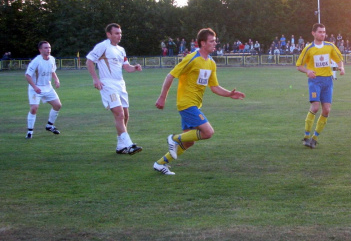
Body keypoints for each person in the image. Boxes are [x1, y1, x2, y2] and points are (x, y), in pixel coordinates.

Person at [153, 28, 245, 175]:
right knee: (208, 132)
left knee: (189, 141)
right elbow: (170, 75)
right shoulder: (192, 58)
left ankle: (160, 163)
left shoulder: (211, 63)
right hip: (186, 103)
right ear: (202, 43)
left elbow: (214, 87)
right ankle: (174, 138)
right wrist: (162, 97)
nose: (215, 43)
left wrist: (229, 94)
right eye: (212, 41)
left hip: (194, 104)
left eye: (215, 40)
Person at [86, 23, 143, 155]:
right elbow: (89, 61)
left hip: (120, 85)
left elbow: (126, 67)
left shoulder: (121, 49)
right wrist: (96, 79)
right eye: (116, 33)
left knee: (125, 115)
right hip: (107, 85)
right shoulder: (102, 46)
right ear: (109, 34)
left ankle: (120, 146)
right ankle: (129, 144)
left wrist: (134, 67)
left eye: (120, 33)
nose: (119, 36)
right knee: (119, 113)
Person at [296, 23, 345, 149]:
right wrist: (307, 71)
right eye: (320, 32)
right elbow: (299, 65)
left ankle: (314, 138)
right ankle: (306, 136)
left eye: (324, 32)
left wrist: (341, 67)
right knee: (315, 107)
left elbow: (339, 58)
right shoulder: (308, 49)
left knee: (327, 110)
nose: (322, 34)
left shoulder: (330, 46)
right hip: (315, 81)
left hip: (328, 81)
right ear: (313, 33)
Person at [25, 41, 62, 139]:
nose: (48, 49)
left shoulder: (52, 59)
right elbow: (27, 75)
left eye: (49, 47)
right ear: (40, 50)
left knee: (57, 105)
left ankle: (49, 125)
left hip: (47, 87)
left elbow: (52, 71)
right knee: (34, 108)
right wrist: (35, 87)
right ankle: (30, 132)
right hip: (36, 88)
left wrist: (56, 80)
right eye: (45, 48)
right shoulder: (36, 61)